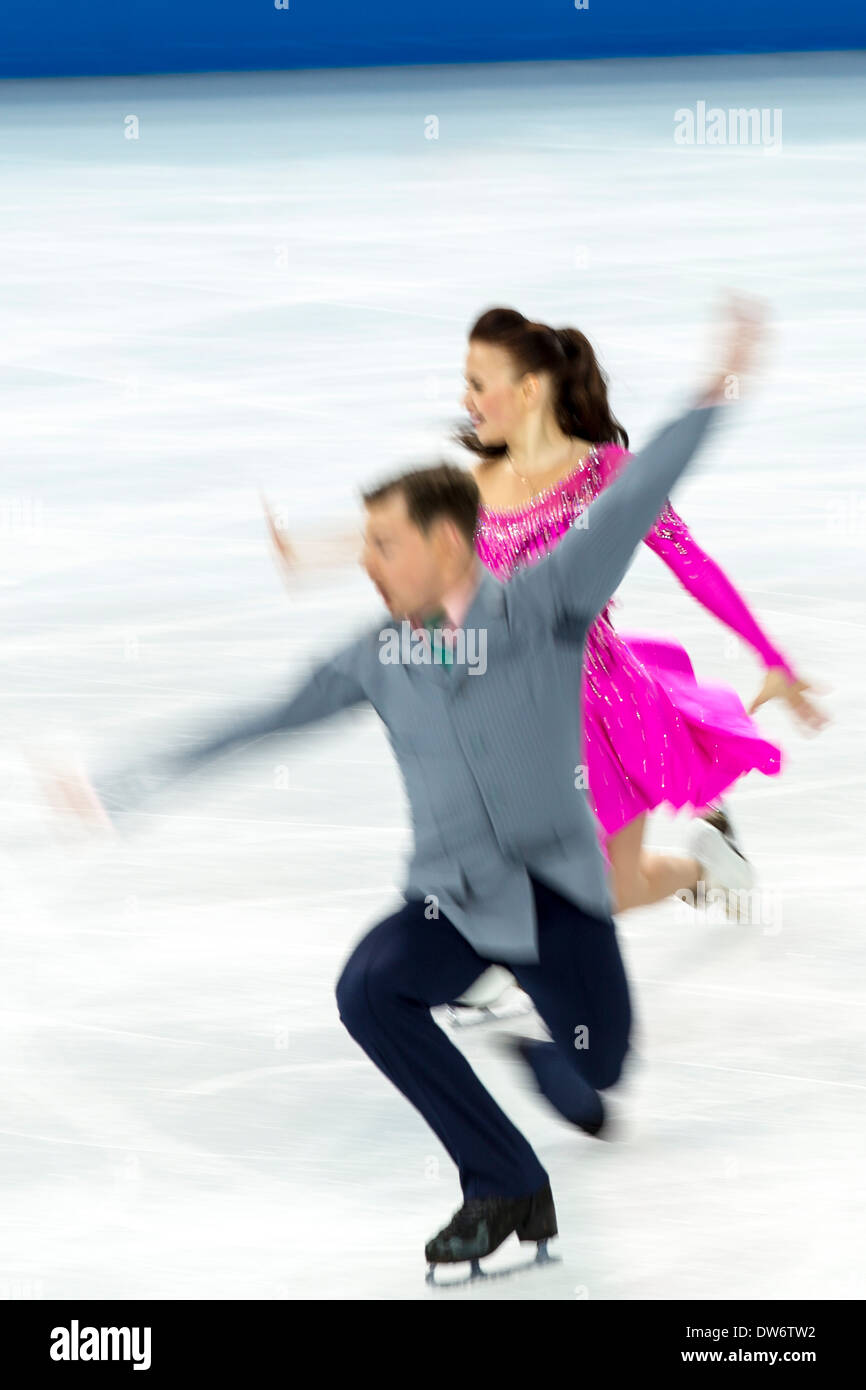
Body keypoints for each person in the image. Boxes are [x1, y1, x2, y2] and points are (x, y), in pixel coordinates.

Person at [51, 298, 766, 1276]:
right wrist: (123, 782)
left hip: (559, 899)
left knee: (596, 1068)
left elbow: (639, 489)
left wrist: (718, 384)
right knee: (370, 989)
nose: (369, 564)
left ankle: (553, 1059)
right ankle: (502, 1182)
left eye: (384, 544)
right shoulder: (374, 655)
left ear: (446, 543)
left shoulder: (545, 601)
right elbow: (261, 720)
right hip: (452, 898)